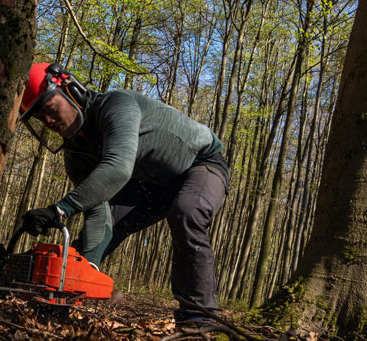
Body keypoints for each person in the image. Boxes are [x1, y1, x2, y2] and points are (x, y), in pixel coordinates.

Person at [18, 63, 229, 324]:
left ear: (72, 90)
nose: (49, 121)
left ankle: (199, 319)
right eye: (40, 118)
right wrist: (91, 263)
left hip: (200, 164)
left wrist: (59, 209)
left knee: (187, 212)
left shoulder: (117, 105)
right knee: (100, 231)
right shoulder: (75, 155)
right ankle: (58, 303)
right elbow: (97, 207)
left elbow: (118, 168)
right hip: (151, 185)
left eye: (50, 109)